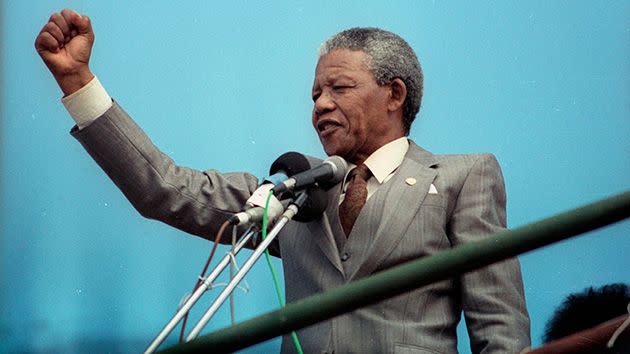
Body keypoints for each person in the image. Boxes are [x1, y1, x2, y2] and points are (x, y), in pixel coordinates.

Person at [35, 9, 530, 353]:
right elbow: (165, 189)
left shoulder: (464, 177)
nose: (320, 104)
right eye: (315, 93)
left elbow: (499, 327)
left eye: (339, 88)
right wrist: (77, 82)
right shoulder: (296, 191)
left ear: (394, 94)